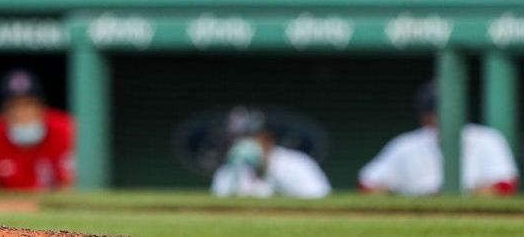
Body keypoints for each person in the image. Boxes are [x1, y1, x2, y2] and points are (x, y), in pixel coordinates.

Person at [359, 82, 518, 195]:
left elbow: (505, 185)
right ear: (423, 117)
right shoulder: (406, 145)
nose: (438, 120)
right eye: (432, 114)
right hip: (421, 215)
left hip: (471, 215)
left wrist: (460, 198)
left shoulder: (487, 139)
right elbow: (367, 183)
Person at [0, 70, 74, 191]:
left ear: (42, 107)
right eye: (13, 106)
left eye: (28, 105)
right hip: (8, 207)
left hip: (52, 206)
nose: (21, 113)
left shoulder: (64, 129)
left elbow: (72, 186)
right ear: (2, 112)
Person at [211, 107, 331, 199]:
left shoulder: (297, 164)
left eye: (248, 137)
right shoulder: (229, 169)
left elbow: (321, 201)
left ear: (267, 139)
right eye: (236, 138)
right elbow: (218, 206)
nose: (242, 144)